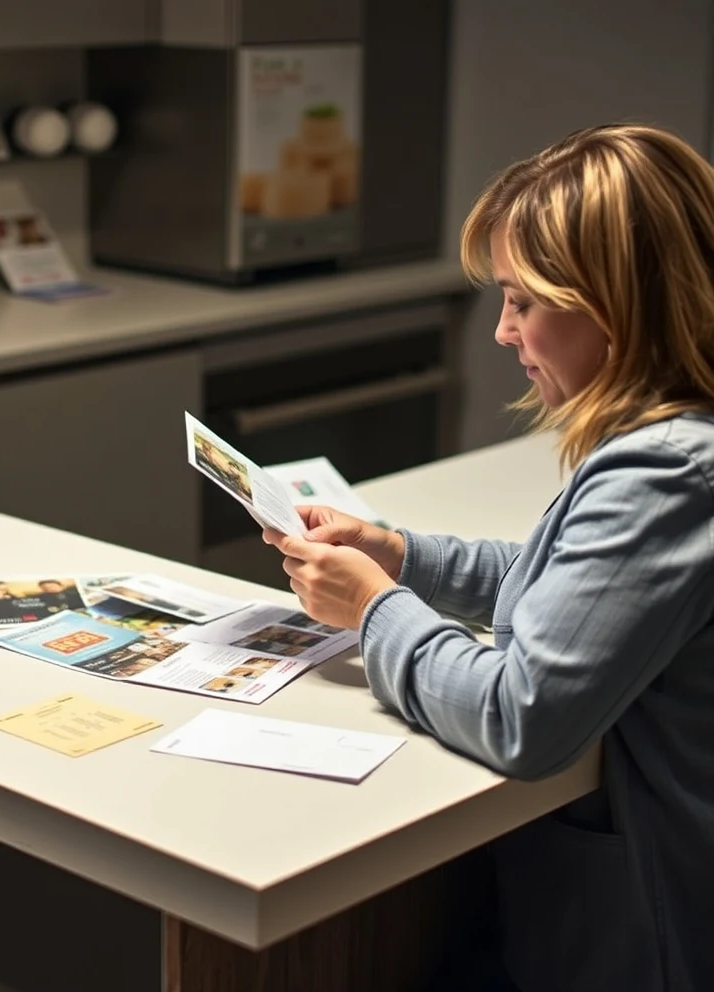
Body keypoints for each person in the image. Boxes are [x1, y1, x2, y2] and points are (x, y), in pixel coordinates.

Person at [263, 124, 714, 992]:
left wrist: (372, 609)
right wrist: (400, 556)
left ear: (615, 304)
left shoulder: (665, 474)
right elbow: (579, 592)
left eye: (522, 302)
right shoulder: (679, 439)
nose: (504, 332)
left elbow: (519, 716)